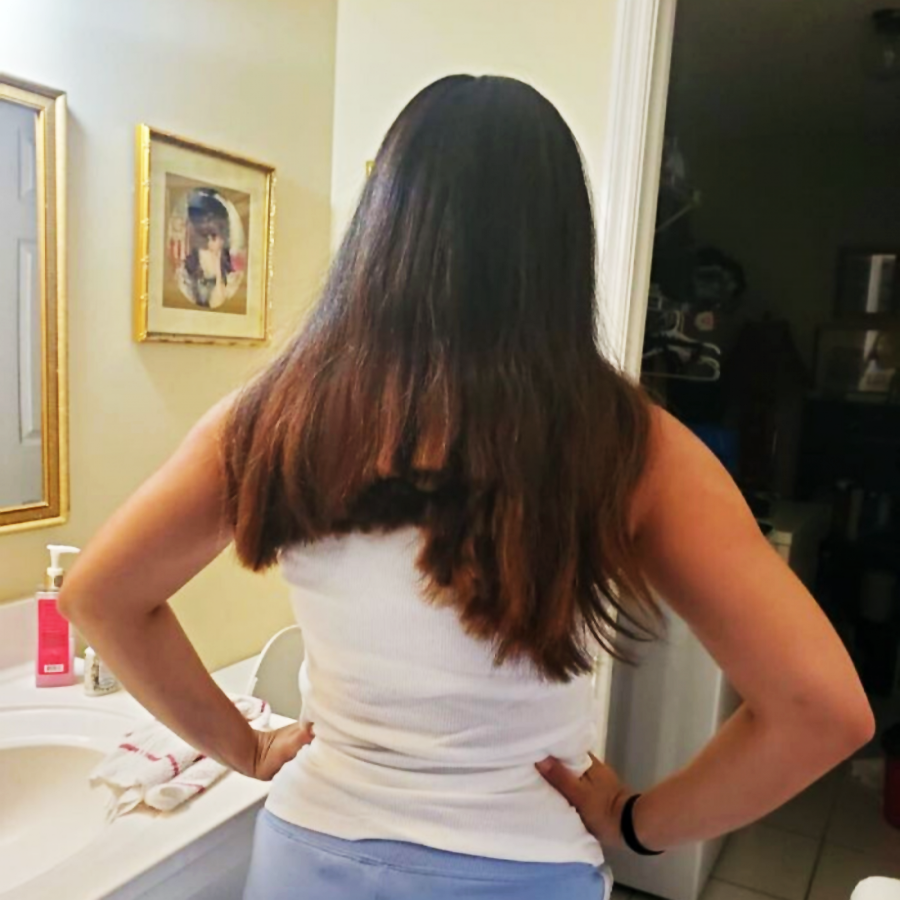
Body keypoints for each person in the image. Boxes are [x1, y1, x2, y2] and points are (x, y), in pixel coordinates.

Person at [60, 76, 873, 899]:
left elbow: (101, 595)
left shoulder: (275, 416)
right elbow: (822, 711)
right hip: (520, 867)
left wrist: (247, 751)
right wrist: (636, 821)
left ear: (384, 225)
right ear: (561, 247)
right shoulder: (627, 444)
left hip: (309, 856)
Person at [179, 188, 238, 310]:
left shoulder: (229, 272)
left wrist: (218, 272)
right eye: (205, 237)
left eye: (215, 236)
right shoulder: (187, 270)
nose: (210, 243)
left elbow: (217, 303)